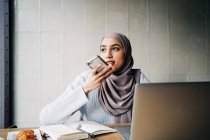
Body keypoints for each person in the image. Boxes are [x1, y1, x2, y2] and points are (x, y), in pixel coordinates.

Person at [40, 32, 149, 125]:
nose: (108, 55)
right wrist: (85, 88)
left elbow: (157, 118)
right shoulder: (86, 79)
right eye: (103, 49)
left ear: (126, 53)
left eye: (115, 48)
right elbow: (46, 119)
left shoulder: (138, 79)